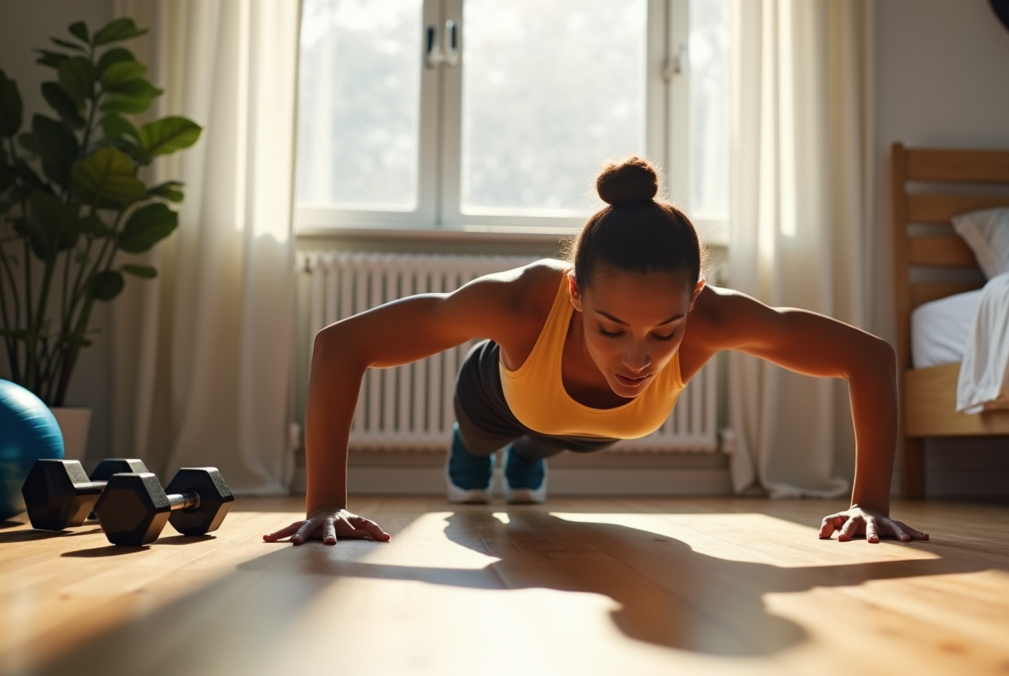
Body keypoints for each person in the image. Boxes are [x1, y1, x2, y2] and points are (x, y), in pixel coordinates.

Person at [265, 157, 928, 547]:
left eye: (665, 332)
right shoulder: (523, 302)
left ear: (694, 301)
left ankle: (528, 456)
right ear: (577, 294)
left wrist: (871, 501)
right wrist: (324, 504)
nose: (638, 356)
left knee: (553, 440)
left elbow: (868, 358)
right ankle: (474, 449)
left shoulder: (715, 318)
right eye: (612, 328)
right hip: (498, 395)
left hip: (593, 429)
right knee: (486, 441)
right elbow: (341, 344)